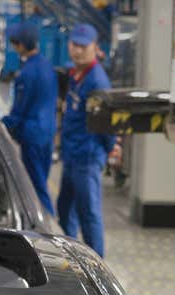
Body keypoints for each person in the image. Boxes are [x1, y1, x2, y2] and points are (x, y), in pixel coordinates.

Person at [58, 24, 119, 257]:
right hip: (72, 155)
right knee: (65, 209)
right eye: (75, 45)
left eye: (84, 46)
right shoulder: (76, 75)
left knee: (89, 214)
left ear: (95, 48)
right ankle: (69, 258)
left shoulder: (97, 82)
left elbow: (106, 125)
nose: (78, 51)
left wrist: (110, 148)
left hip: (87, 157)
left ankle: (98, 269)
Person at [0, 20, 55, 215]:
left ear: (21, 45)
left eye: (14, 44)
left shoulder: (27, 73)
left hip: (33, 135)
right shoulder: (46, 65)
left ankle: (49, 230)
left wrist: (1, 123)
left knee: (36, 186)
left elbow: (20, 110)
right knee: (42, 179)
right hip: (47, 132)